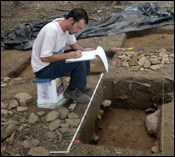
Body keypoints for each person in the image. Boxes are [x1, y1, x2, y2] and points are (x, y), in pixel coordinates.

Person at [31, 8, 94, 104]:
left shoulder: (67, 28)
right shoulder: (52, 30)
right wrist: (69, 55)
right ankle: (72, 91)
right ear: (71, 20)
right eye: (78, 27)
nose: (78, 31)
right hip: (43, 68)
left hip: (52, 62)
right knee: (78, 62)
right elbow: (44, 58)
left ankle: (81, 83)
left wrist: (85, 50)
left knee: (82, 54)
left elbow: (74, 44)